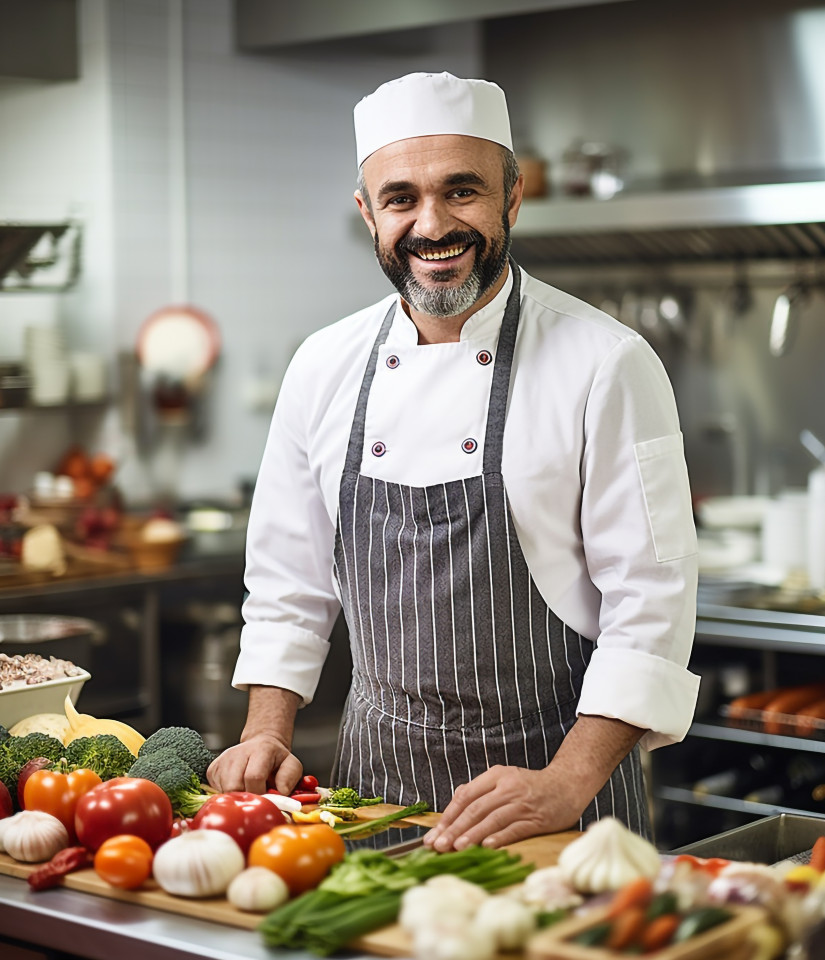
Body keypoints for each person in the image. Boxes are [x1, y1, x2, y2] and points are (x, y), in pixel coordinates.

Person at [208, 72, 700, 849]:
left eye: (461, 192)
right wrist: (266, 729)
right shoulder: (323, 364)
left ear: (512, 195)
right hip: (370, 791)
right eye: (400, 198)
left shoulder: (607, 362)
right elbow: (286, 581)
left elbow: (651, 604)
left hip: (553, 799)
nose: (431, 225)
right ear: (367, 212)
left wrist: (564, 786)